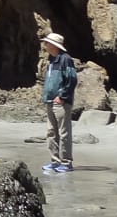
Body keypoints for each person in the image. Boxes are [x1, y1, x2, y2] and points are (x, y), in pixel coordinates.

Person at [40, 32, 78, 174]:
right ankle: (55, 161)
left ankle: (66, 162)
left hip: (61, 102)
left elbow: (72, 79)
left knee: (63, 132)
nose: (45, 45)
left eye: (47, 43)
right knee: (51, 132)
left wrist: (62, 96)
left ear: (54, 45)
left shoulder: (65, 59)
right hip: (50, 101)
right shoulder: (52, 60)